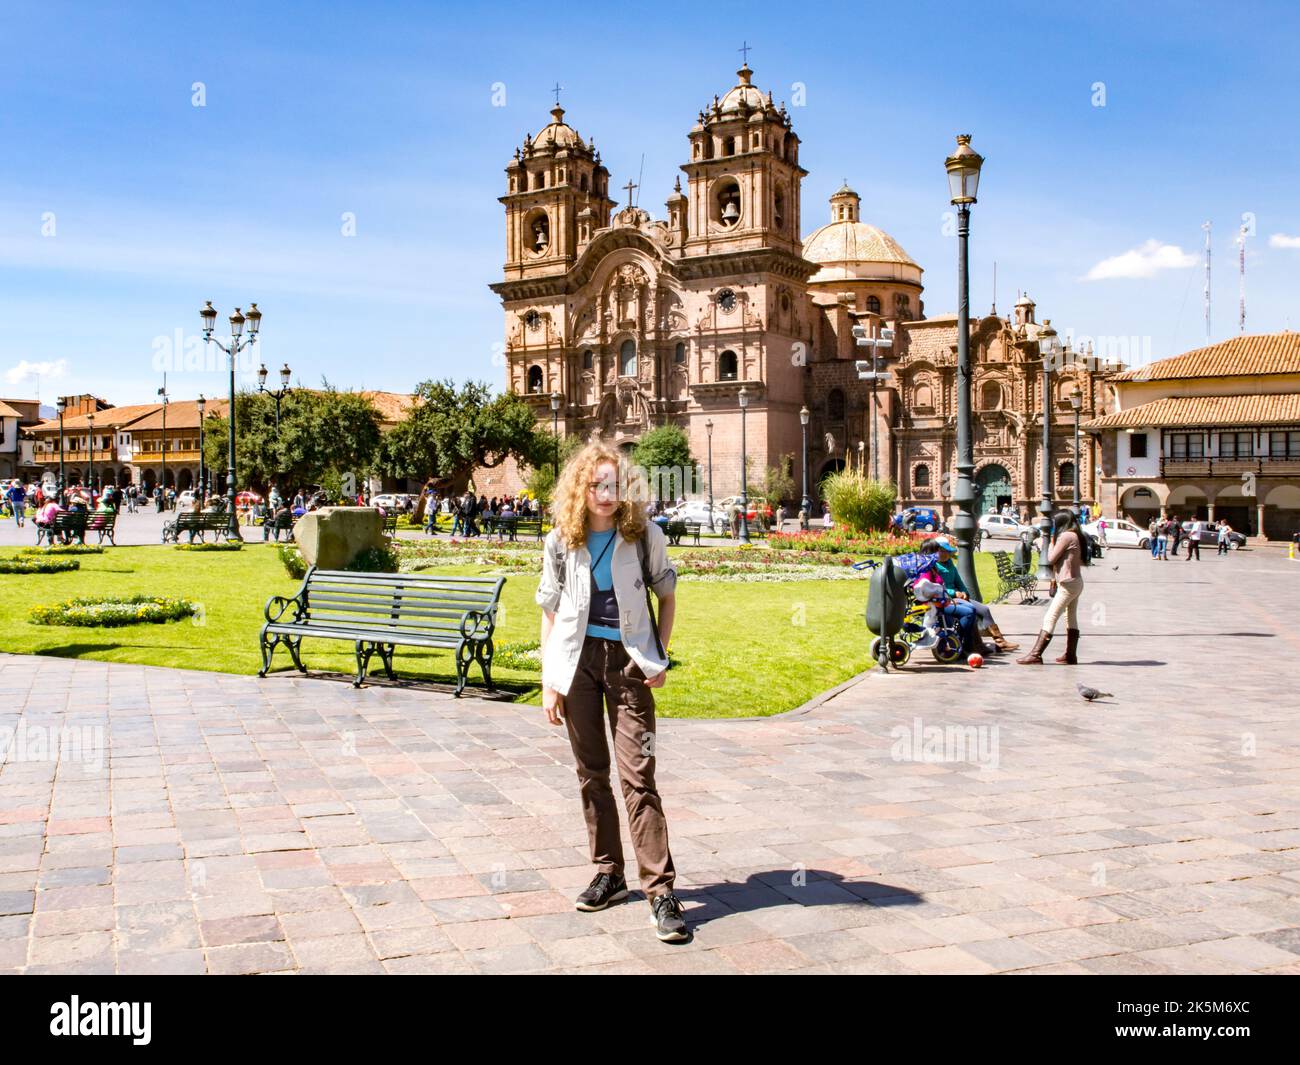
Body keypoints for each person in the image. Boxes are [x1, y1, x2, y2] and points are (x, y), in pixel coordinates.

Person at [536, 441, 685, 943]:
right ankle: (609, 874)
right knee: (590, 774)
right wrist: (549, 681)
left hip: (627, 665)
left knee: (638, 777)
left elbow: (666, 593)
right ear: (582, 487)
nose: (606, 493)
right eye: (597, 484)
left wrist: (658, 655)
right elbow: (550, 612)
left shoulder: (643, 536)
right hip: (576, 666)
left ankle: (661, 891)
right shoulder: (561, 540)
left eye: (614, 485)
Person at [921, 536, 1018, 652]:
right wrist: (955, 593)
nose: (945, 553)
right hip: (947, 598)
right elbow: (937, 587)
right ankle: (973, 645)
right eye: (942, 551)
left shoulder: (949, 563)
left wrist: (964, 592)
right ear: (935, 551)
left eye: (947, 551)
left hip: (957, 596)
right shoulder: (933, 566)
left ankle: (1000, 641)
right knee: (970, 610)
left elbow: (959, 581)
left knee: (984, 609)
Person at [1018, 509, 1086, 665]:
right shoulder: (1075, 535)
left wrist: (1047, 542)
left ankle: (1036, 654)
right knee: (1071, 618)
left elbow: (1050, 558)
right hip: (1075, 582)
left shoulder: (1066, 536)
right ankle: (1070, 655)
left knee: (1050, 617)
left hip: (1068, 584)